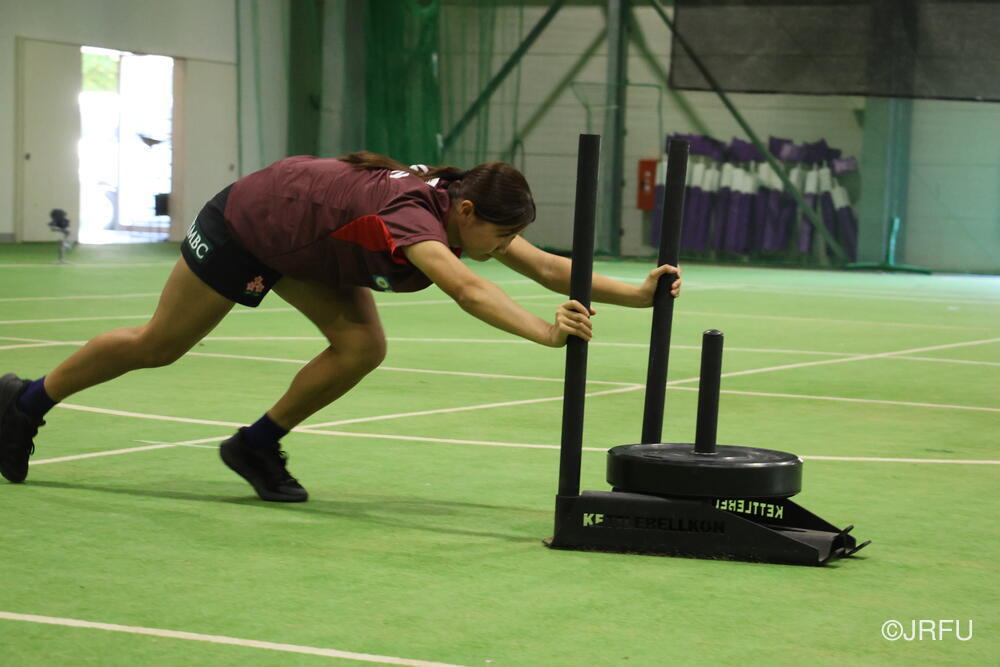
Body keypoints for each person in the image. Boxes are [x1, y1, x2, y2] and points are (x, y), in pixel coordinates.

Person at [0, 152, 681, 502]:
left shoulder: (461, 212)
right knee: (161, 345)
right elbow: (467, 290)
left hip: (303, 242)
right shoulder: (417, 219)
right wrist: (545, 333)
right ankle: (23, 401)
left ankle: (254, 445)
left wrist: (638, 295)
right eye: (501, 237)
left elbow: (549, 268)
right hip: (248, 223)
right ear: (467, 213)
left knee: (361, 345)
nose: (506, 248)